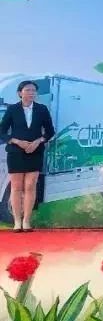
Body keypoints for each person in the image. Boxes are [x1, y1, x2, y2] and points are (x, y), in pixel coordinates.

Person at [0, 80, 55, 232]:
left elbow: (50, 131)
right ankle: (17, 222)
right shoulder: (12, 109)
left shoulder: (42, 109)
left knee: (30, 186)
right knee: (16, 187)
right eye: (28, 90)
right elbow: (2, 131)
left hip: (35, 152)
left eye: (33, 90)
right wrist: (17, 141)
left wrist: (38, 141)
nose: (31, 93)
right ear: (20, 93)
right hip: (15, 152)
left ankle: (26, 221)